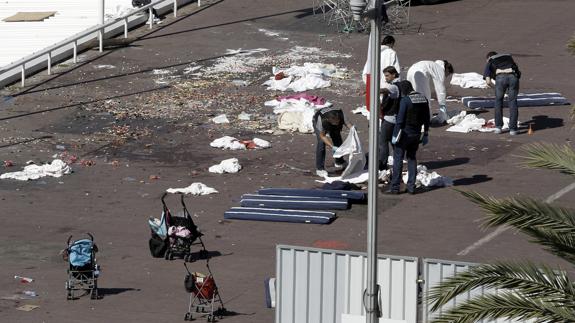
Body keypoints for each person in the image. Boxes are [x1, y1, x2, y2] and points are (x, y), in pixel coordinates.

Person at [386, 80, 430, 194]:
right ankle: (411, 186)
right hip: (416, 134)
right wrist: (425, 133)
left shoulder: (405, 100)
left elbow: (400, 120)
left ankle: (395, 187)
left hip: (404, 134)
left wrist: (395, 135)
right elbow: (427, 117)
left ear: (404, 89)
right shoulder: (423, 98)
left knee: (398, 159)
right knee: (412, 158)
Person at [483, 51, 521, 135]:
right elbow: (518, 73)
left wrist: (495, 88)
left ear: (489, 58)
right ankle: (513, 130)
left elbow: (488, 81)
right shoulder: (508, 57)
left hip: (500, 78)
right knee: (513, 101)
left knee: (498, 101)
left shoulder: (490, 60)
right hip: (513, 77)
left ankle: (498, 128)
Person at [362, 35, 401, 109]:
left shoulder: (374, 52)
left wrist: (368, 83)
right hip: (386, 82)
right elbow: (396, 71)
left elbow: (366, 69)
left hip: (373, 81)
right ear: (391, 43)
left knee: (375, 103)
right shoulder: (391, 53)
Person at [313, 107, 352, 177]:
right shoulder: (322, 120)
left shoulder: (341, 114)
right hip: (318, 121)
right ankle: (319, 168)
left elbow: (348, 124)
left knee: (337, 138)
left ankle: (339, 161)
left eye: (338, 121)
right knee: (321, 143)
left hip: (332, 123)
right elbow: (322, 136)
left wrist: (353, 129)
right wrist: (332, 147)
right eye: (335, 123)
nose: (337, 123)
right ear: (329, 120)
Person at [379, 66, 401, 171]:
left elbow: (385, 90)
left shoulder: (394, 87)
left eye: (387, 76)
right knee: (394, 143)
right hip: (395, 119)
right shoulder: (399, 85)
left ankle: (383, 165)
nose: (386, 78)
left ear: (394, 75)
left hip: (389, 119)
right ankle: (397, 165)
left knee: (383, 142)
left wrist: (373, 90)